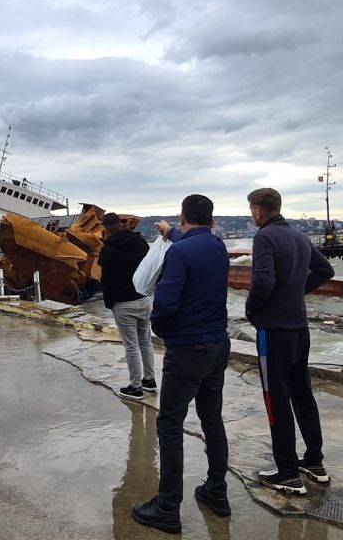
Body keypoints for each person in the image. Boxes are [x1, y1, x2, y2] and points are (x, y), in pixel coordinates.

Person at [132, 195, 232, 534]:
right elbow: (191, 239)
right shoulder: (218, 247)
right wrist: (170, 231)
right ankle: (217, 491)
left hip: (188, 349)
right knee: (212, 419)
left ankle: (168, 507)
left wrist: (161, 329)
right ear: (213, 221)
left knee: (170, 424)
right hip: (218, 346)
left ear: (182, 216)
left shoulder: (179, 253)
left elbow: (167, 304)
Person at [245, 188, 336, 494]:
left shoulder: (265, 237)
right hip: (299, 327)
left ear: (258, 211)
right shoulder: (299, 236)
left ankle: (286, 472)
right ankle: (314, 460)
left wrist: (252, 310)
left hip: (274, 330)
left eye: (252, 210)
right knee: (302, 393)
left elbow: (264, 281)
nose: (252, 215)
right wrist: (297, 292)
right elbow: (325, 270)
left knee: (276, 399)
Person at [97, 212, 156, 400]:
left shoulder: (108, 249)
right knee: (145, 341)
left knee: (131, 345)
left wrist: (109, 302)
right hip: (144, 298)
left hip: (123, 303)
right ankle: (150, 380)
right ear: (121, 224)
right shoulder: (140, 243)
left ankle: (135, 386)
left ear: (106, 228)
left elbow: (103, 275)